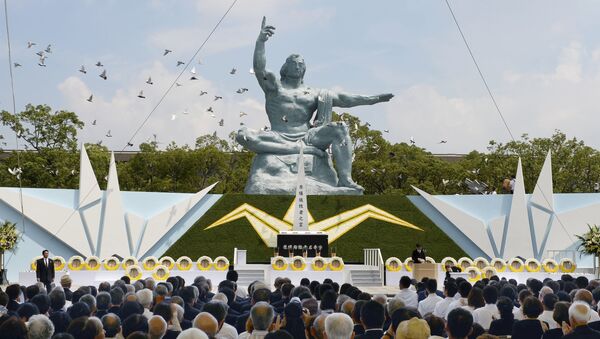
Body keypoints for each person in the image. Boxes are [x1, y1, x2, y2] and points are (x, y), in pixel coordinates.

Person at [236, 17, 394, 192]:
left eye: (300, 64)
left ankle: (345, 179)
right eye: (293, 64)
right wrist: (261, 42)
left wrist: (373, 99)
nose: (297, 67)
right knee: (243, 135)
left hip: (307, 137)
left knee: (340, 128)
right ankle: (294, 148)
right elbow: (259, 69)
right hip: (277, 135)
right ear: (285, 68)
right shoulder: (274, 88)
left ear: (304, 69)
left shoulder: (314, 93)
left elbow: (345, 99)